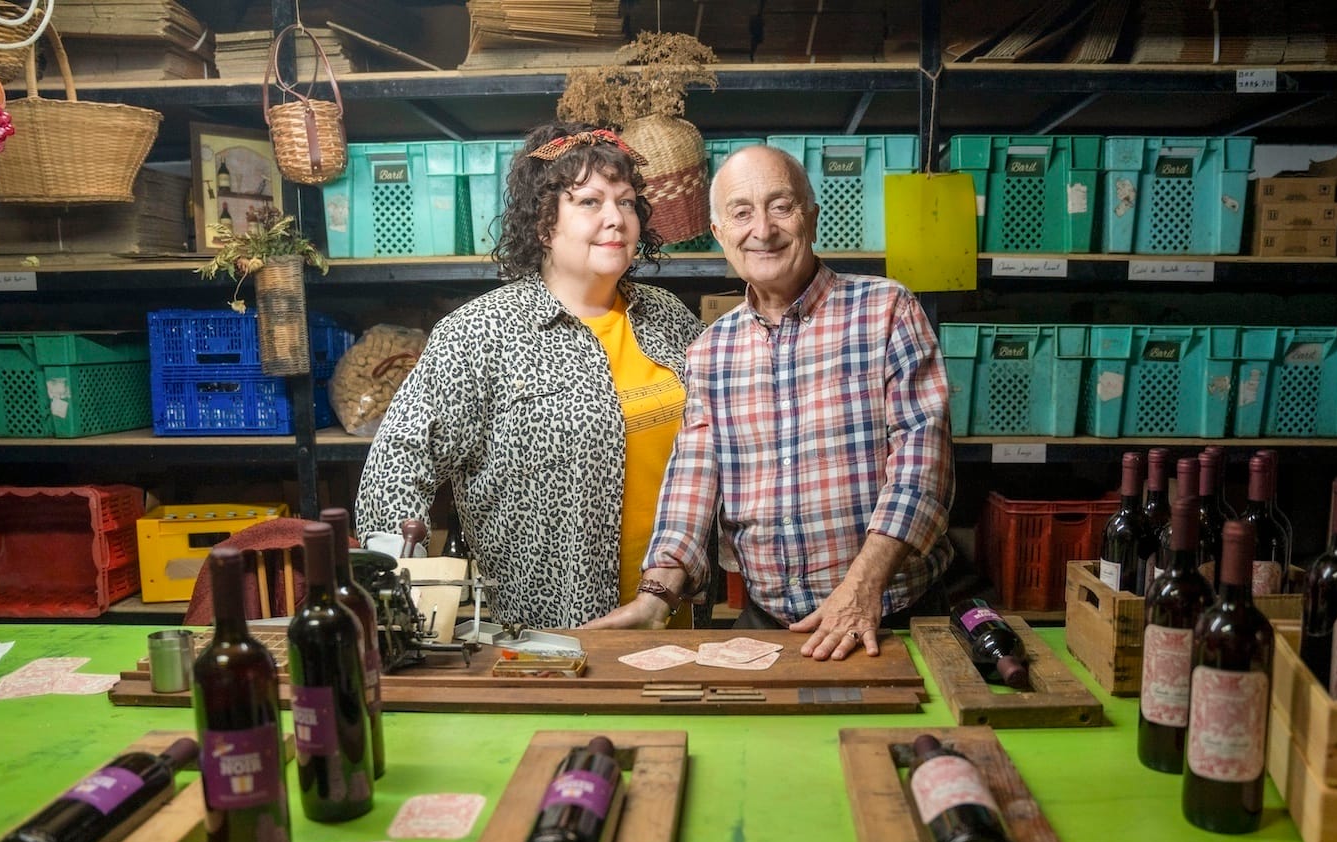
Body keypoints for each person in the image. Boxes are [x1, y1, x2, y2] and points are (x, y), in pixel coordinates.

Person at [586, 144, 955, 660]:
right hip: (771, 620)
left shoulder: (886, 310)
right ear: (719, 234)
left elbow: (923, 461)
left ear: (812, 217)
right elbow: (693, 477)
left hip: (891, 612)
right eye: (741, 212)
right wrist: (656, 597)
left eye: (781, 206)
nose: (762, 229)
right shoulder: (711, 350)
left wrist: (862, 588)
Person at [355, 121, 703, 629]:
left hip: (676, 615)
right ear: (544, 225)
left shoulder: (669, 317)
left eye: (626, 202)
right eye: (590, 202)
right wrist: (404, 599)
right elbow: (397, 463)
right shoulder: (480, 333)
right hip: (553, 634)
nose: (616, 218)